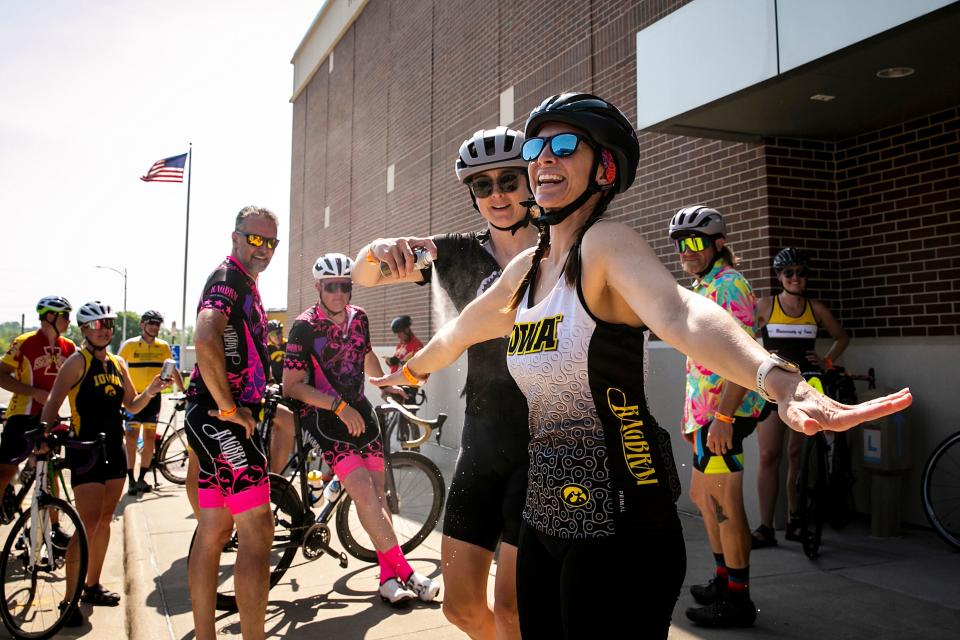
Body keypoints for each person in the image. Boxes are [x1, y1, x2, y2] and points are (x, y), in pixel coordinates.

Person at [369, 92, 911, 637]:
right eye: (536, 147)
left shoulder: (604, 246)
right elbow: (459, 333)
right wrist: (407, 372)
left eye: (564, 146)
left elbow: (682, 313)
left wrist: (780, 381)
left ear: (604, 166)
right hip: (547, 513)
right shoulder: (526, 274)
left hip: (622, 517)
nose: (543, 159)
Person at [353, 125, 537, 638]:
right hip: (483, 433)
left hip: (546, 438)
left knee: (516, 609)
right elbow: (363, 274)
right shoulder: (456, 252)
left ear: (530, 182)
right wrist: (379, 247)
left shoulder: (559, 249)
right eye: (482, 186)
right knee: (458, 607)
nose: (497, 195)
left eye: (508, 180)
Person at [283, 252, 440, 605]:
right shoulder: (303, 326)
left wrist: (385, 383)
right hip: (325, 415)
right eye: (331, 287)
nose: (339, 293)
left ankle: (387, 581)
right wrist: (337, 406)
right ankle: (409, 573)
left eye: (345, 286)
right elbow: (292, 385)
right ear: (318, 287)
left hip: (360, 411)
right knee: (365, 495)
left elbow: (366, 356)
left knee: (380, 495)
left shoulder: (360, 318)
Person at [40, 301, 169, 626]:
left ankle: (92, 585)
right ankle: (69, 600)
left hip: (113, 449)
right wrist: (44, 435)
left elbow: (133, 404)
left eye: (108, 324)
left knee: (106, 521)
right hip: (85, 450)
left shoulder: (117, 363)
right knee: (86, 524)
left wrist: (153, 389)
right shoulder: (76, 362)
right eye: (98, 325)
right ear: (84, 330)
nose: (105, 330)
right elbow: (54, 402)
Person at [668, 206, 765, 627]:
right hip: (707, 416)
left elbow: (743, 357)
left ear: (718, 244)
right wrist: (693, 418)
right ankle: (724, 580)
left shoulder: (728, 285)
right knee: (703, 498)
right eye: (679, 243)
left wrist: (723, 418)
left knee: (724, 502)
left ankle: (738, 599)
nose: (685, 251)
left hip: (726, 414)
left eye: (694, 242)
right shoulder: (704, 284)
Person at [185, 205, 278, 640]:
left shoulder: (245, 283)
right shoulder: (229, 280)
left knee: (214, 529)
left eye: (271, 242)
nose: (263, 248)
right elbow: (204, 335)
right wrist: (228, 408)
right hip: (222, 422)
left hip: (210, 421)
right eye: (255, 239)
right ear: (236, 237)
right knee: (258, 530)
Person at [752, 247, 850, 548]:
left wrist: (827, 361)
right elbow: (741, 334)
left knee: (796, 455)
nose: (795, 278)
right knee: (769, 456)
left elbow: (842, 336)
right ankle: (766, 527)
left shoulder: (815, 308)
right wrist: (759, 358)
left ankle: (795, 520)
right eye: (788, 273)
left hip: (803, 388)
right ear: (779, 276)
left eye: (801, 272)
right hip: (770, 389)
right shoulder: (766, 305)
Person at [0, 296, 75, 518]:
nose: (69, 322)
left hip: (50, 417)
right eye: (65, 317)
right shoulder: (25, 342)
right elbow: (1, 375)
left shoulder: (68, 347)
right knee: (5, 471)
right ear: (50, 317)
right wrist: (34, 392)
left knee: (51, 475)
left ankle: (54, 527)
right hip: (22, 414)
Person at [119, 309, 184, 496]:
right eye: (151, 323)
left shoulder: (163, 346)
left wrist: (184, 391)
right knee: (131, 439)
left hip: (154, 399)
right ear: (142, 325)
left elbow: (173, 370)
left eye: (157, 324)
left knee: (149, 440)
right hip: (134, 398)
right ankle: (131, 479)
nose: (155, 327)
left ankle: (141, 479)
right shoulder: (130, 345)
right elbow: (117, 367)